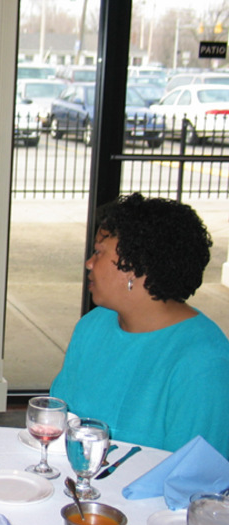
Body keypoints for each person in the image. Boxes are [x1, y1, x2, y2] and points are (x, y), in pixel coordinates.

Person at [50, 193, 229, 457]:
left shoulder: (203, 360)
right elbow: (57, 419)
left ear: (135, 266)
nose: (89, 263)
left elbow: (196, 470)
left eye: (99, 252)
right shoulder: (93, 326)